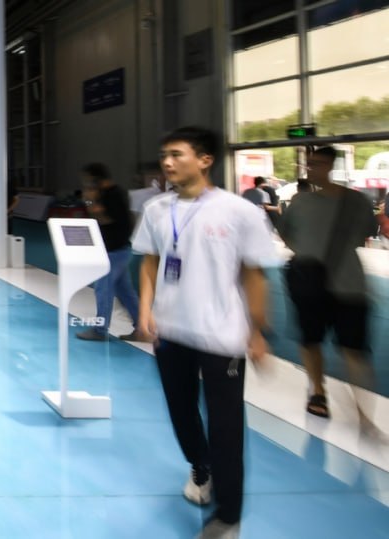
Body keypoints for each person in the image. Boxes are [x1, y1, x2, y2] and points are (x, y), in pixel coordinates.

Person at [132, 126, 274, 539]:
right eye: (164, 155)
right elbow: (149, 261)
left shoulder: (239, 211)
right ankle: (200, 465)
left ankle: (228, 516)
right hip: (170, 330)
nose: (167, 162)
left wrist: (257, 330)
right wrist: (145, 309)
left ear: (205, 160)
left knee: (226, 426)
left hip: (222, 335)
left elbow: (253, 274)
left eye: (177, 154)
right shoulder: (157, 209)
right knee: (181, 412)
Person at [278, 146, 378, 420]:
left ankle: (362, 412)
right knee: (312, 339)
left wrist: (307, 251)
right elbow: (365, 235)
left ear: (332, 166)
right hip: (317, 283)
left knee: (353, 348)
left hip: (346, 286)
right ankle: (318, 391)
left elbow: (286, 235)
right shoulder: (301, 202)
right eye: (308, 164)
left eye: (316, 164)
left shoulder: (355, 201)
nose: (310, 169)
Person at [75, 163, 142, 342]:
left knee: (103, 288)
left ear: (96, 178)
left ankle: (100, 329)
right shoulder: (114, 192)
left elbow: (104, 218)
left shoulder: (111, 195)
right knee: (125, 292)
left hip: (114, 251)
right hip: (119, 248)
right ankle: (142, 328)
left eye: (88, 180)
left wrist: (90, 200)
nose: (87, 184)